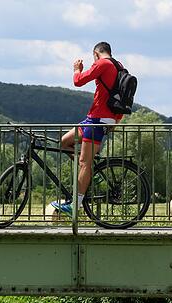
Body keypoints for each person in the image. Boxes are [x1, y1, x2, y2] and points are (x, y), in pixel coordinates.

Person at [51, 41, 124, 217]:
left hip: (98, 119)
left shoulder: (102, 63)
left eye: (93, 58)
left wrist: (77, 68)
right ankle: (89, 172)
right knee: (63, 143)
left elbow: (79, 81)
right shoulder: (118, 65)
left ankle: (76, 204)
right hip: (97, 118)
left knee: (84, 162)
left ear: (96, 54)